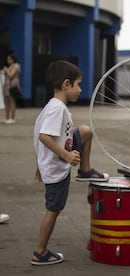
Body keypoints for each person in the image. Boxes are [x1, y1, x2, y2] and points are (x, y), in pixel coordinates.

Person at [31, 60, 109, 266]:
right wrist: (66, 156)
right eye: (78, 84)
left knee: (84, 132)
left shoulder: (53, 106)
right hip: (57, 168)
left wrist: (39, 162)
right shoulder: (57, 109)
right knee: (53, 208)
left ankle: (85, 170)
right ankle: (40, 251)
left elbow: (37, 134)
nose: (80, 89)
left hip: (55, 158)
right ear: (66, 84)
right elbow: (44, 136)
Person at [2, 52, 21, 124]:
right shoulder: (9, 66)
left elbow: (11, 75)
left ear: (13, 59)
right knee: (6, 101)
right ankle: (7, 118)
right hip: (6, 86)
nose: (8, 61)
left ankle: (12, 118)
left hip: (12, 85)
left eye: (9, 59)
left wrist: (6, 70)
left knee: (11, 101)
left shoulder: (16, 66)